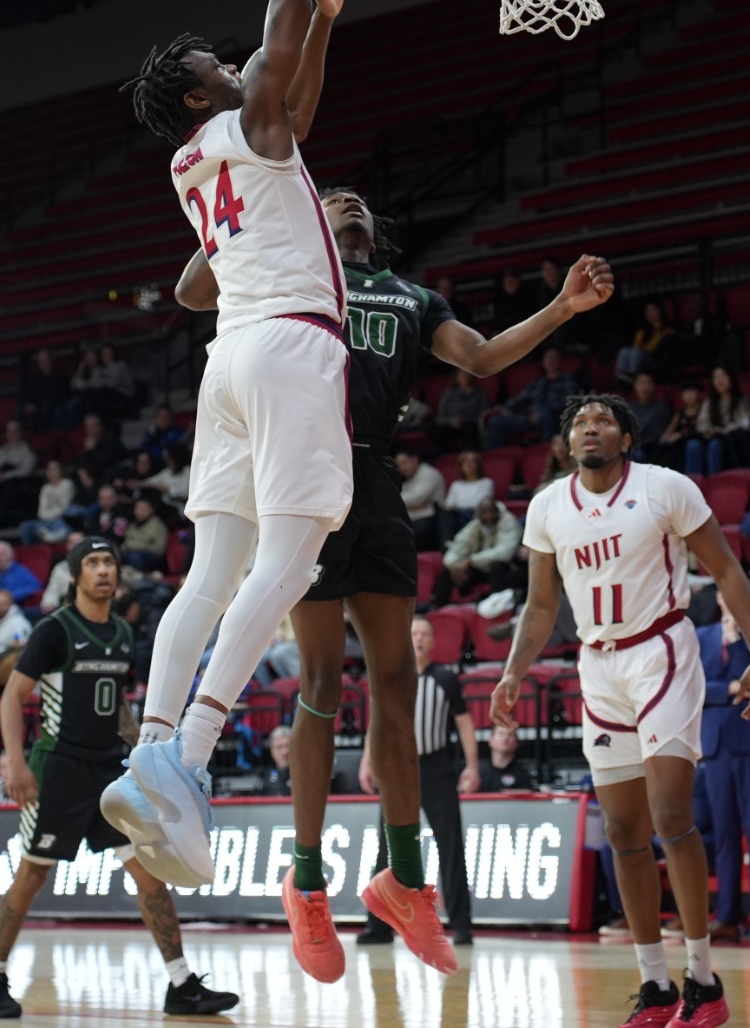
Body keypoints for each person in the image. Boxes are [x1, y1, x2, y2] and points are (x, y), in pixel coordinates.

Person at [174, 182, 610, 980]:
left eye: (356, 200)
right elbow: (193, 292)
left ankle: (404, 879)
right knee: (319, 681)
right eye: (331, 196)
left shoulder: (411, 296)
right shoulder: (287, 273)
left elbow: (480, 356)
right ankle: (307, 881)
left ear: (375, 227)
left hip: (376, 481)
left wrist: (560, 308)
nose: (347, 202)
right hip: (302, 472)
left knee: (397, 683)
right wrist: (250, 213)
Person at [113, 0, 366, 896]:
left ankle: (149, 749)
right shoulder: (243, 108)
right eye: (214, 64)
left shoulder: (193, 163)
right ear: (199, 93)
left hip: (226, 362)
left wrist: (322, 24)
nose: (233, 60)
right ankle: (192, 755)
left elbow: (192, 282)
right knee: (293, 558)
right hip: (289, 347)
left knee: (211, 571)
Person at [492, 394, 750, 1028]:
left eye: (603, 420)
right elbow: (541, 606)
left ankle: (702, 979)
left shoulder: (664, 487)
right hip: (597, 665)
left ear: (625, 438)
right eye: (579, 422)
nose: (590, 428)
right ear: (567, 442)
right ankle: (655, 985)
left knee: (670, 811)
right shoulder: (547, 506)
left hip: (662, 650)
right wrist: (512, 672)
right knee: (621, 827)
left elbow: (726, 569)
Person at [0, 537, 237, 1018]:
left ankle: (182, 984)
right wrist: (15, 763)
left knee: (149, 874)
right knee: (32, 874)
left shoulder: (121, 633)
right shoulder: (54, 630)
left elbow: (115, 705)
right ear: (76, 576)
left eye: (109, 562)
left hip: (108, 770)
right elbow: (11, 697)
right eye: (93, 563)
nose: (103, 570)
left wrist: (143, 750)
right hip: (58, 769)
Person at [356, 616, 479, 952]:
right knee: (387, 849)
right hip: (396, 770)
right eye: (414, 633)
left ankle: (462, 926)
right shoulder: (390, 678)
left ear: (433, 642)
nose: (419, 639)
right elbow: (377, 722)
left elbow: (464, 723)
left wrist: (472, 765)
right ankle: (378, 927)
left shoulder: (445, 679)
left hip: (436, 769)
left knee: (450, 847)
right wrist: (368, 761)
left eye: (425, 634)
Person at [697, 605, 750, 943]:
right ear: (718, 597)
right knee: (725, 836)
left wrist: (737, 639)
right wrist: (729, 688)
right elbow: (692, 685)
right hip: (716, 745)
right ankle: (727, 916)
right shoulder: (700, 636)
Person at [483, 347, 582, 449]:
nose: (551, 361)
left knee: (547, 415)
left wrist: (542, 411)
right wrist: (505, 408)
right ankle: (495, 456)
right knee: (495, 422)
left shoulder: (567, 380)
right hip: (529, 417)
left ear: (560, 361)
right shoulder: (538, 381)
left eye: (555, 358)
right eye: (548, 358)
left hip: (552, 418)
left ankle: (548, 452)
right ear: (543, 362)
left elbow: (568, 402)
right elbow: (521, 397)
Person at [435, 498, 523, 604]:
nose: (488, 516)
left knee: (497, 566)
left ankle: (496, 606)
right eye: (484, 513)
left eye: (491, 512)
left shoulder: (508, 521)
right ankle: (437, 606)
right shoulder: (475, 525)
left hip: (508, 568)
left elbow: (504, 553)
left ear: (498, 511)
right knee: (449, 570)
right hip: (481, 568)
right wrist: (454, 564)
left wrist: (471, 561)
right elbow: (456, 547)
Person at [18, 459, 75, 547]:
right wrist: (46, 518)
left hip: (60, 519)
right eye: (49, 469)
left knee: (64, 528)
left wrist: (50, 515)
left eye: (54, 469)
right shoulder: (45, 488)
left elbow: (63, 509)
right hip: (44, 521)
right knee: (25, 527)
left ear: (60, 471)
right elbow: (41, 511)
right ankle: (35, 549)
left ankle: (50, 537)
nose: (50, 472)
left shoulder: (67, 484)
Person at [396, 451, 445, 551]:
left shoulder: (429, 473)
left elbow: (417, 498)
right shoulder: (409, 478)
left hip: (433, 521)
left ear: (415, 460)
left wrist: (397, 500)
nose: (402, 468)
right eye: (399, 465)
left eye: (404, 462)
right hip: (413, 519)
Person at [477, 726, 537, 793]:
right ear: (491, 741)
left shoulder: (523, 775)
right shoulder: (478, 771)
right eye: (501, 733)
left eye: (510, 734)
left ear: (517, 743)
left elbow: (529, 795)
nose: (505, 737)